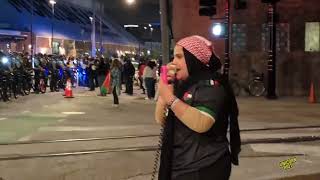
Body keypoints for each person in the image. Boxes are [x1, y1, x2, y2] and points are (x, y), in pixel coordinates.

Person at [155, 35, 241, 180]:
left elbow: (202, 123)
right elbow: (160, 119)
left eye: (179, 57)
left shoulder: (212, 85)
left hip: (204, 167)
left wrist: (170, 98)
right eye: (174, 57)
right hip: (182, 165)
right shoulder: (182, 86)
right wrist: (165, 92)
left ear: (193, 58)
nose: (173, 62)